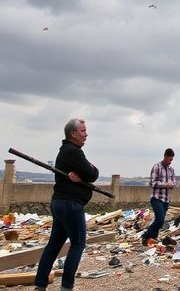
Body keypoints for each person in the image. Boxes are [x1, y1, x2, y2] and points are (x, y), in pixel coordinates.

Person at [34, 118, 99, 291]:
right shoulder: (73, 151)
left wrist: (83, 175)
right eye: (83, 131)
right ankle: (66, 287)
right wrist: (87, 173)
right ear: (72, 133)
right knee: (77, 244)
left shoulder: (66, 150)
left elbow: (87, 173)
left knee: (54, 244)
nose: (86, 134)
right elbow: (92, 174)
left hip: (59, 202)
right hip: (70, 204)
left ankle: (40, 285)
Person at [142, 148, 176, 245]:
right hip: (156, 198)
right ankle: (145, 236)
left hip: (166, 199)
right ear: (165, 156)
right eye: (169, 159)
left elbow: (174, 182)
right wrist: (165, 184)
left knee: (159, 221)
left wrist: (171, 184)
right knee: (160, 220)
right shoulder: (156, 167)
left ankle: (151, 239)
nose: (170, 162)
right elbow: (153, 183)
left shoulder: (171, 170)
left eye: (172, 160)